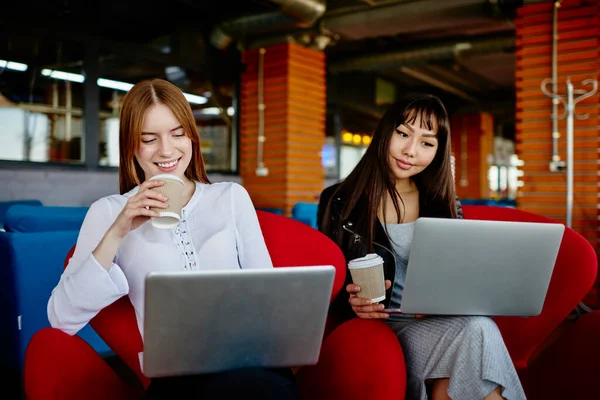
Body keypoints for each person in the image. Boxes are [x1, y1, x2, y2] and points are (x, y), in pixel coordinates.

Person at [47, 78, 300, 399]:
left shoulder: (231, 197)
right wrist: (118, 230)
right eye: (149, 139)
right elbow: (62, 319)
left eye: (178, 134)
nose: (167, 150)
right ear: (131, 146)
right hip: (178, 377)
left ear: (192, 137)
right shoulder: (109, 211)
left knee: (262, 385)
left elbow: (267, 294)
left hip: (248, 359)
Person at [317, 94, 526, 400]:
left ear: (438, 151)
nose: (410, 151)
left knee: (457, 372)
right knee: (478, 332)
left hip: (440, 324)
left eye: (427, 143)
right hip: (382, 329)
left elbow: (462, 273)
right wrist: (351, 303)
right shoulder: (339, 200)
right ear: (385, 131)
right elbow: (326, 284)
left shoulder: (442, 203)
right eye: (403, 134)